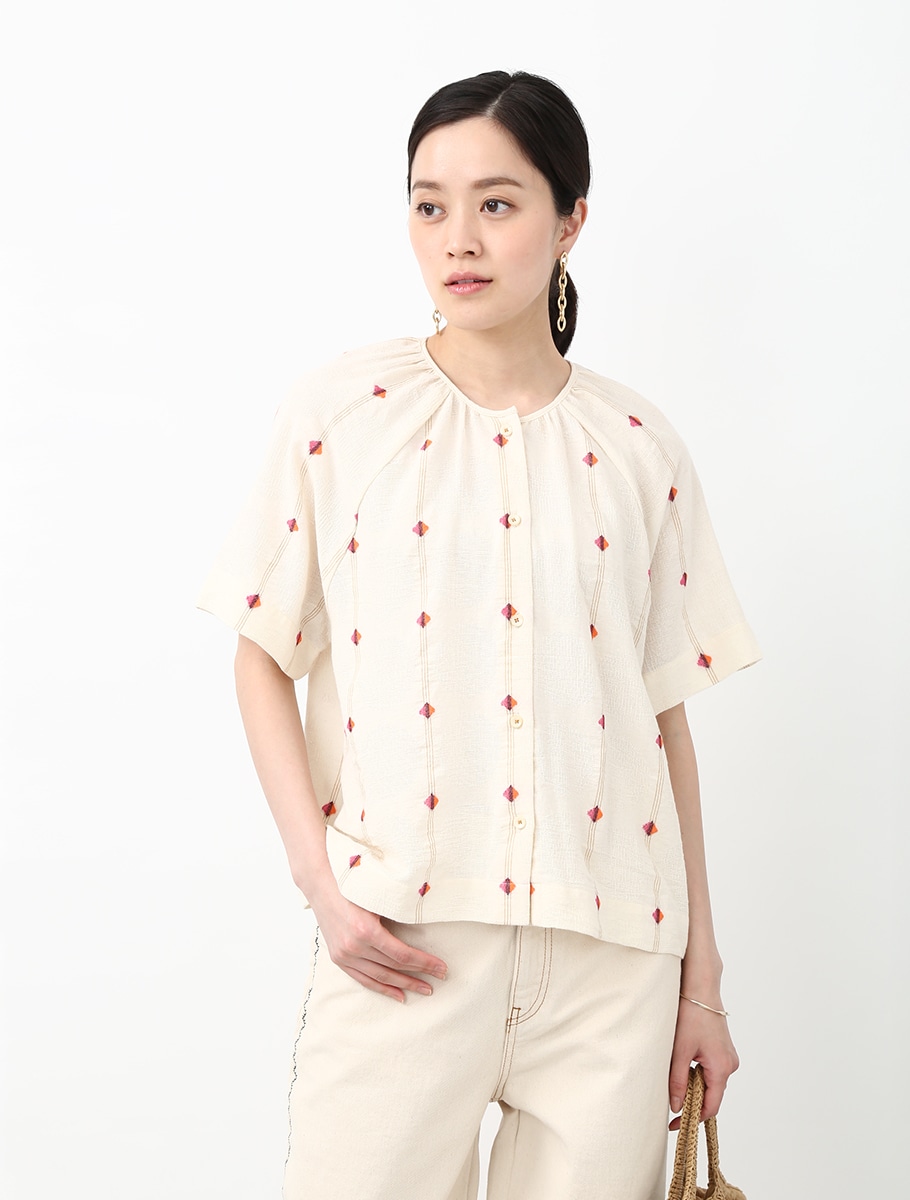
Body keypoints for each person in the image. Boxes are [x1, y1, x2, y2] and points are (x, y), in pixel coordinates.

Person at [197, 69, 762, 1200]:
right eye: (429, 204)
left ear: (571, 220)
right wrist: (320, 883)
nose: (457, 237)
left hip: (613, 959)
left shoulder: (640, 444)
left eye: (497, 204)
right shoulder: (341, 415)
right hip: (403, 939)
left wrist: (701, 981)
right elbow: (262, 650)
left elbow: (661, 721)